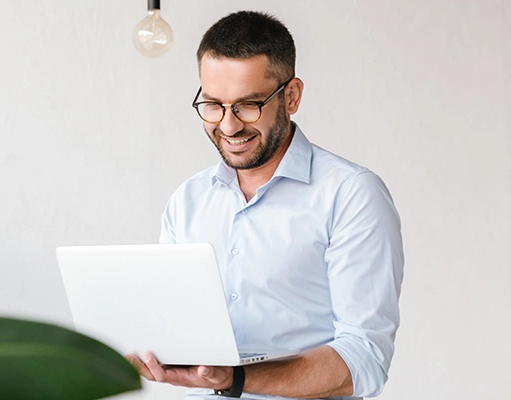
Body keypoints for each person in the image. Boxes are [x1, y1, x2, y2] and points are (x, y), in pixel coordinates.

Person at [124, 11, 405, 400]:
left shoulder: (351, 195)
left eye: (248, 105)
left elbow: (364, 358)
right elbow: (176, 329)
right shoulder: (188, 201)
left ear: (291, 96)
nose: (228, 125)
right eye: (213, 105)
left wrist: (234, 380)